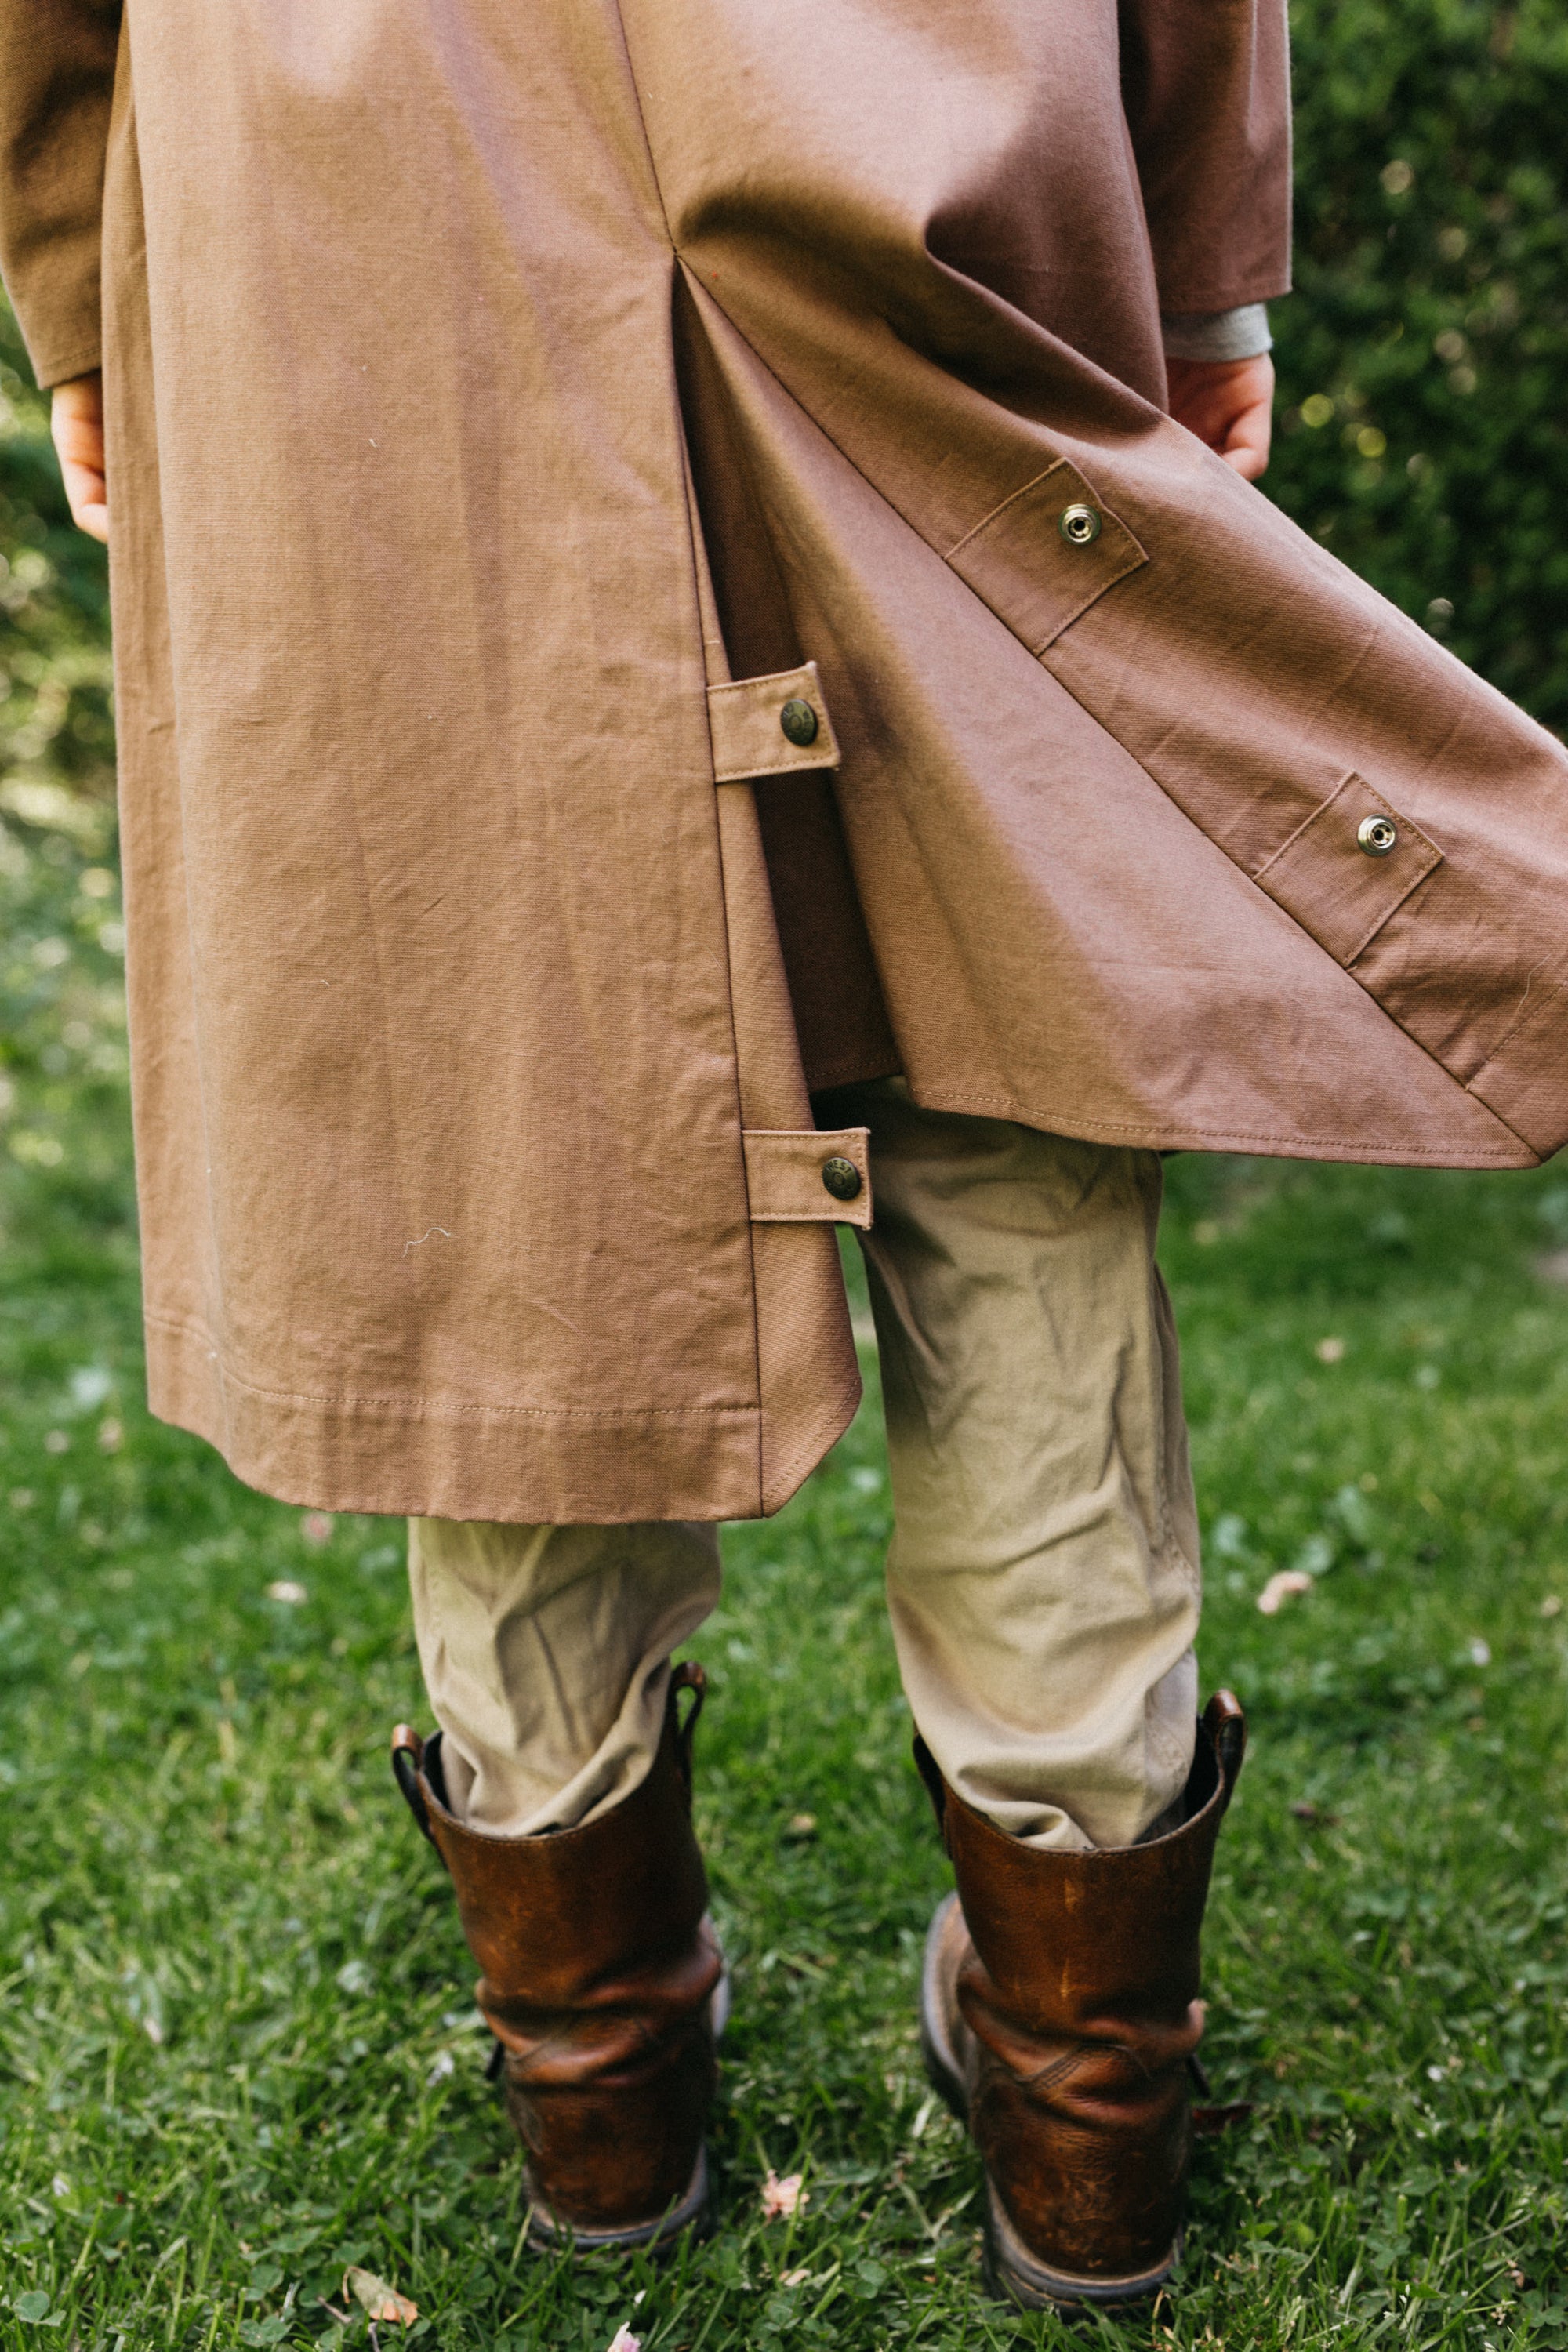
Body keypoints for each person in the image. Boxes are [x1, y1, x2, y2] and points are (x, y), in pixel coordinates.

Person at [8, 0, 1568, 2313]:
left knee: (499, 1084)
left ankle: (603, 2084)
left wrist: (76, 269)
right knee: (1018, 1031)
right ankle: (1083, 2107)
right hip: (908, 141)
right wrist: (1212, 254)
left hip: (361, 207)